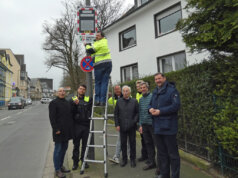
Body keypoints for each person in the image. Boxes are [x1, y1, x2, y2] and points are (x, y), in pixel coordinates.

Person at [149, 73, 181, 178]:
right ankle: (164, 174)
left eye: (159, 78)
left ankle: (175, 175)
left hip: (169, 127)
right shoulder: (155, 91)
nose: (158, 80)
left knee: (173, 155)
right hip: (157, 127)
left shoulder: (172, 90)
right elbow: (150, 104)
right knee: (162, 153)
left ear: (164, 78)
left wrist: (160, 111)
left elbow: (176, 106)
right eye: (156, 79)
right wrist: (150, 109)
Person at [49, 87, 73, 178]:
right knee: (58, 150)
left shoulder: (67, 103)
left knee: (64, 149)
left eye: (63, 91)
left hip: (66, 131)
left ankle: (61, 165)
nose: (62, 92)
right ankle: (57, 169)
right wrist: (56, 129)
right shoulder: (53, 103)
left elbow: (70, 116)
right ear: (56, 93)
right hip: (58, 131)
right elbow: (52, 118)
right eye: (60, 91)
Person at [114, 85, 139, 168]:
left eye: (127, 91)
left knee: (132, 143)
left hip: (132, 126)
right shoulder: (119, 101)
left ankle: (132, 159)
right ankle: (124, 159)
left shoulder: (134, 101)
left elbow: (137, 113)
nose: (125, 93)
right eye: (124, 91)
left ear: (130, 92)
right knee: (123, 144)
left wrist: (134, 121)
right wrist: (117, 124)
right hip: (122, 126)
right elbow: (116, 114)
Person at [86, 31, 112, 106]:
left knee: (98, 83)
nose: (96, 36)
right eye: (96, 35)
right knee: (104, 83)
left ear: (102, 37)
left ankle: (97, 100)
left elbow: (90, 50)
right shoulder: (103, 42)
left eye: (98, 35)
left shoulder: (100, 43)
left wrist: (87, 45)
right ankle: (102, 101)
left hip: (100, 65)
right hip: (107, 64)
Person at [71, 84, 92, 170]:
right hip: (76, 126)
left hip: (86, 125)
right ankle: (75, 163)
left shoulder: (88, 99)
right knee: (76, 145)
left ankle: (84, 161)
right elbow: (71, 112)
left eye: (83, 89)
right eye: (80, 89)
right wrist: (76, 104)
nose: (82, 90)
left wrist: (80, 104)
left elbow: (90, 107)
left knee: (85, 145)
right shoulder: (72, 99)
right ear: (77, 89)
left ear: (85, 91)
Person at [139, 82, 156, 170]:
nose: (143, 89)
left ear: (147, 88)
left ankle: (156, 162)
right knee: (148, 143)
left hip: (152, 125)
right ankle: (151, 161)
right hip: (144, 125)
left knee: (155, 143)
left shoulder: (153, 96)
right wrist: (140, 125)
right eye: (141, 88)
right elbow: (141, 113)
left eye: (144, 87)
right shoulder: (141, 99)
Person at [136, 80, 148, 162]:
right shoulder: (137, 95)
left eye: (140, 86)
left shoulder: (147, 96)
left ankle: (148, 157)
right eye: (137, 87)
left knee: (147, 140)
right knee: (143, 140)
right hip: (141, 121)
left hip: (147, 121)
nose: (139, 88)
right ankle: (144, 155)